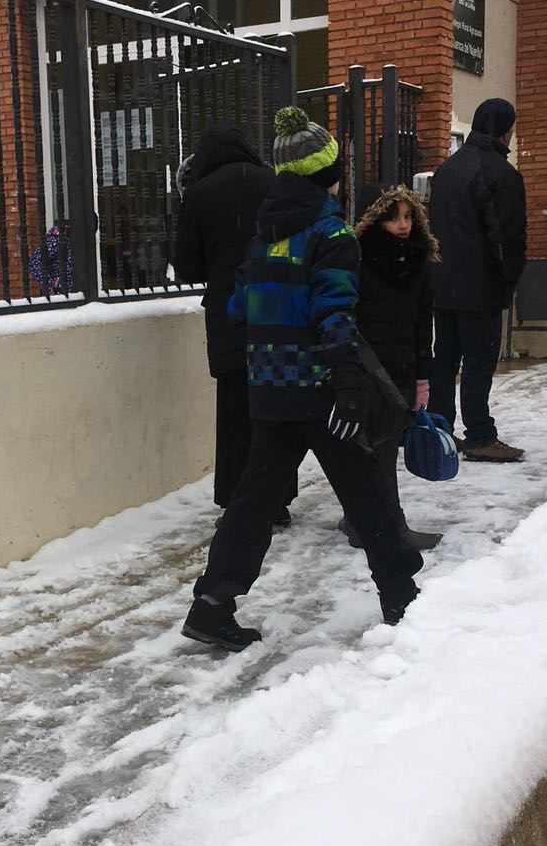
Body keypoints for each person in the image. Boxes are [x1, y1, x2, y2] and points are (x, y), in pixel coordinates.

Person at [180, 106, 423, 652]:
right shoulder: (330, 231)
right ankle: (404, 598)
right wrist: (347, 382)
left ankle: (213, 603)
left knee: (254, 501)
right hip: (318, 388)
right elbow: (334, 312)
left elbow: (240, 304)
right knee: (366, 491)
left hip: (267, 387)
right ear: (328, 174)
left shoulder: (263, 232)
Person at [172, 125, 286, 515]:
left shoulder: (200, 194)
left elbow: (185, 266)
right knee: (273, 406)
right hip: (277, 305)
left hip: (229, 311)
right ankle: (278, 497)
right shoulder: (272, 182)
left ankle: (242, 499)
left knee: (236, 410)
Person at [340, 183, 442, 552]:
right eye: (393, 217)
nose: (403, 225)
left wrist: (422, 377)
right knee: (374, 450)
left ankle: (362, 518)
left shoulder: (418, 264)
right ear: (374, 220)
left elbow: (421, 325)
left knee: (380, 449)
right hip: (367, 368)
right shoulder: (359, 262)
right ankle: (386, 526)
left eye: (408, 217)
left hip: (400, 367)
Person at [426, 97, 528, 462]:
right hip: (480, 287)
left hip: (443, 285)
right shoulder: (500, 173)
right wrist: (510, 278)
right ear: (504, 130)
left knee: (446, 358)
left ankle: (438, 430)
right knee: (478, 362)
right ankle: (481, 435)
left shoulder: (447, 171)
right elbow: (507, 237)